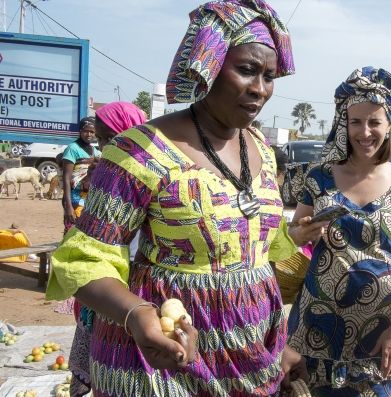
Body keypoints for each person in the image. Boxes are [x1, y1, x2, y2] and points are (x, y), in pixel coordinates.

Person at [46, 1, 307, 396]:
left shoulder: (262, 149)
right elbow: (86, 260)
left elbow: (259, 246)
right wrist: (136, 315)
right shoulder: (139, 151)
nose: (260, 89)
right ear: (209, 66)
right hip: (160, 359)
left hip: (252, 355)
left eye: (270, 76)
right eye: (247, 70)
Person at [287, 67, 391, 396]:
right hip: (320, 328)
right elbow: (294, 233)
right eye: (355, 122)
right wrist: (302, 232)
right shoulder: (318, 177)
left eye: (374, 122)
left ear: (388, 124)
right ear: (343, 124)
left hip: (382, 332)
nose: (364, 132)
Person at [66, 101, 146, 397]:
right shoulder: (105, 169)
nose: (102, 146)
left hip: (137, 276)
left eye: (107, 138)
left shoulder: (147, 172)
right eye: (100, 140)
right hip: (107, 273)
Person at [61, 117, 100, 233]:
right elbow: (66, 178)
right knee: (71, 230)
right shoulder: (72, 148)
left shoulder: (95, 151)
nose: (89, 134)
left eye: (92, 132)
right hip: (73, 198)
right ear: (80, 131)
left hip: (87, 198)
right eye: (85, 131)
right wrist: (68, 206)